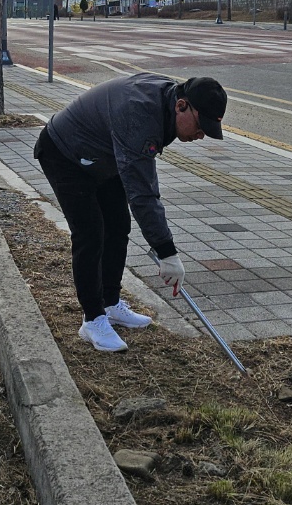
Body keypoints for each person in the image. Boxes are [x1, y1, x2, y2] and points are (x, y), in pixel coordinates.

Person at [34, 74, 227, 352]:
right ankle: (93, 319)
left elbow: (139, 178)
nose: (201, 135)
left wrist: (164, 249)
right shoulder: (140, 115)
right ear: (181, 106)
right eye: (200, 126)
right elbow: (143, 194)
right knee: (90, 232)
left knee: (118, 224)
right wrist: (167, 252)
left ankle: (110, 303)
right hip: (65, 152)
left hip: (104, 154)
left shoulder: (166, 100)